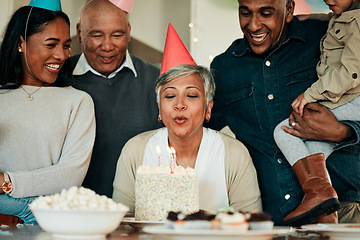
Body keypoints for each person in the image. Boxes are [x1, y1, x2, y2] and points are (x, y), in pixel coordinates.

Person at [208, 0, 360, 225]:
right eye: (245, 13)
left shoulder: (326, 37)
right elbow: (202, 135)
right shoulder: (225, 68)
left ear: (288, 9)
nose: (253, 25)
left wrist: (344, 132)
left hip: (345, 210)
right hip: (274, 219)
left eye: (266, 13)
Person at [112, 24, 262, 213]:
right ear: (159, 108)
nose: (180, 104)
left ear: (208, 108)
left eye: (191, 95)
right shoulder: (135, 152)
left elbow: (250, 226)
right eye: (169, 96)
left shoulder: (234, 155)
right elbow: (122, 224)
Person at [0, 1, 95, 224]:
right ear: (21, 43)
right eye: (51, 44)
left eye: (65, 45)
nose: (61, 55)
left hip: (53, 221)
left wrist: (7, 181)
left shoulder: (78, 101)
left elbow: (71, 175)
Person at [273, 0, 360, 226]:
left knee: (283, 132)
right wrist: (314, 20)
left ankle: (319, 196)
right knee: (317, 149)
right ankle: (325, 208)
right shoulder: (344, 15)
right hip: (347, 97)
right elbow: (340, 24)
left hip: (353, 98)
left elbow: (351, 73)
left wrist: (311, 94)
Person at [63, 0, 162, 198]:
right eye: (97, 35)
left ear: (129, 32)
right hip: (73, 210)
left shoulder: (158, 82)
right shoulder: (58, 78)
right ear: (80, 32)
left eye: (117, 35)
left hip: (139, 213)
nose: (107, 46)